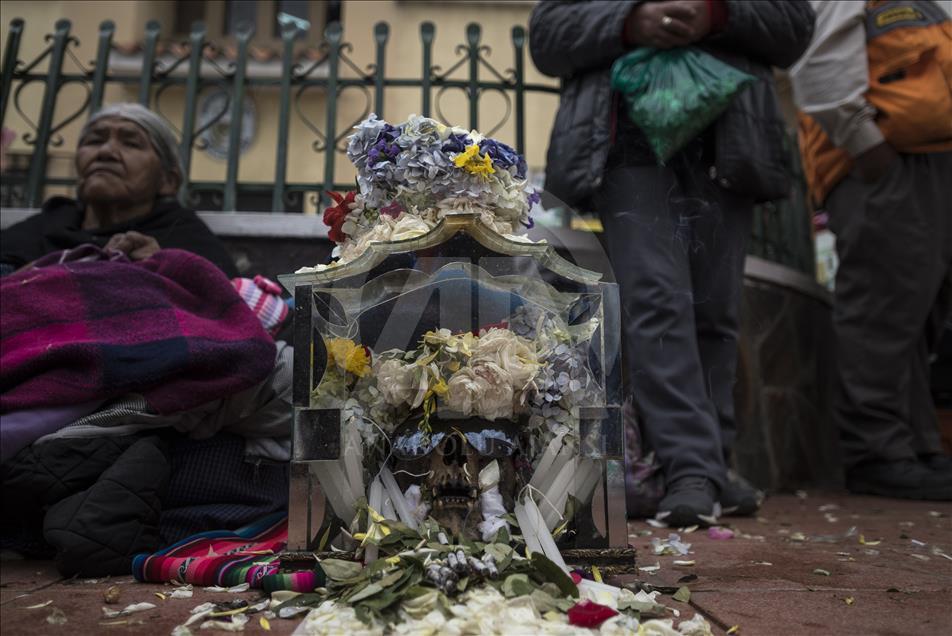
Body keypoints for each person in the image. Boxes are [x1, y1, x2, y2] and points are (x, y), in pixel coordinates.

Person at [530, 0, 815, 525]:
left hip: (727, 143)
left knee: (716, 311)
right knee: (656, 299)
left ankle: (708, 463)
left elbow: (794, 25)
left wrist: (717, 14)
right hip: (628, 148)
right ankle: (689, 468)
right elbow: (548, 35)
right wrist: (628, 20)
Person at [789, 1, 952, 500]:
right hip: (883, 163)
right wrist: (866, 144)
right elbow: (817, 68)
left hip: (921, 161)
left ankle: (914, 448)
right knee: (883, 307)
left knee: (912, 312)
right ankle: (876, 454)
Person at [0, 102, 237, 277]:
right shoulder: (43, 228)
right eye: (94, 141)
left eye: (131, 143)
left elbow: (226, 308)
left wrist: (164, 267)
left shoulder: (184, 238)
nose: (106, 152)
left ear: (167, 181)